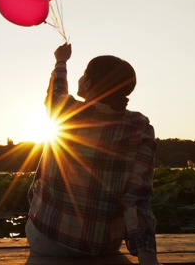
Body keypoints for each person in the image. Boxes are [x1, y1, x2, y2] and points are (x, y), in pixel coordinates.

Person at [26, 43, 160, 265]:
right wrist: (148, 259)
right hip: (102, 245)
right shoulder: (140, 126)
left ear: (87, 83)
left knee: (52, 148)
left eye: (83, 75)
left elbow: (55, 93)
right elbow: (137, 198)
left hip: (50, 238)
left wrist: (61, 61)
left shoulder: (67, 111)